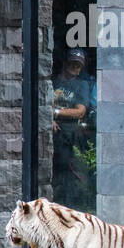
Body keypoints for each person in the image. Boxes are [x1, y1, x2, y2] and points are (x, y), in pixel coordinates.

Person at [51, 47, 96, 211]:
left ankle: (70, 206)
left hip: (70, 137)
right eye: (72, 63)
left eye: (78, 65)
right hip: (51, 137)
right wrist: (49, 119)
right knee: (53, 174)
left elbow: (80, 111)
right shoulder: (53, 82)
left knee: (70, 174)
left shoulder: (81, 85)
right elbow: (42, 106)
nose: (75, 68)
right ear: (65, 62)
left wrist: (55, 112)